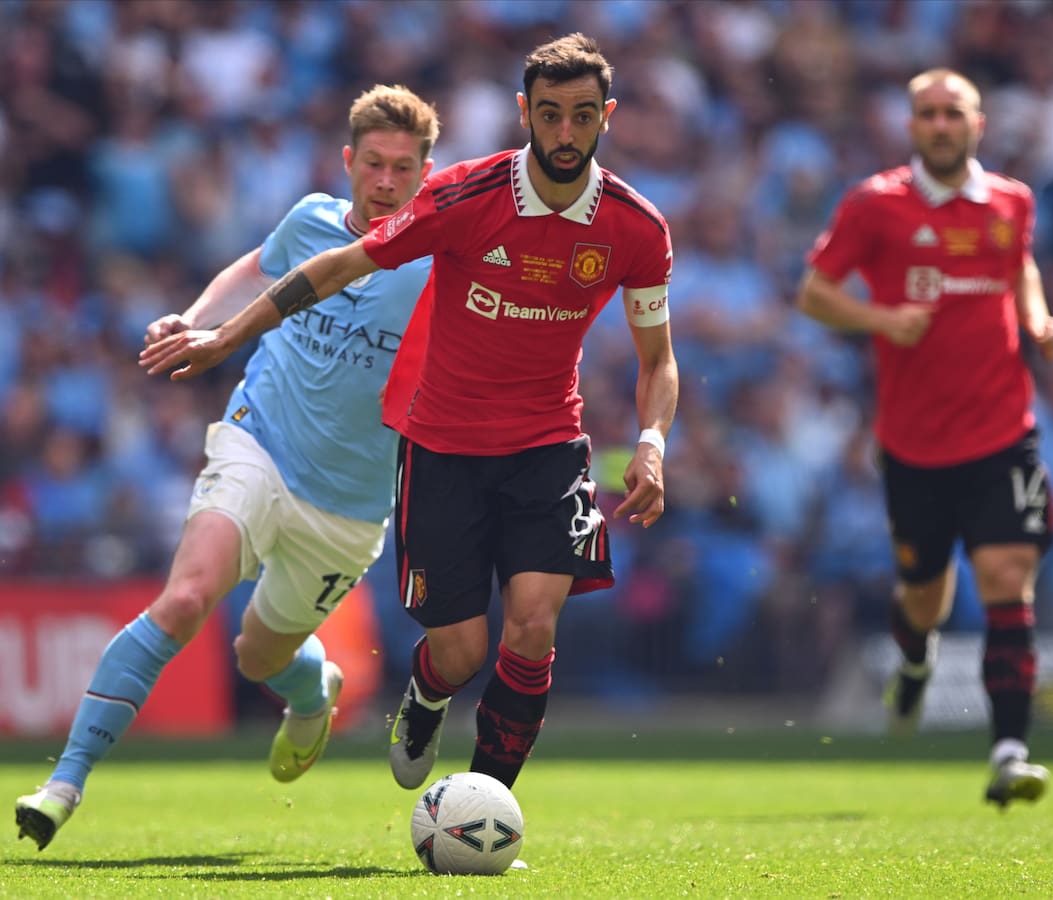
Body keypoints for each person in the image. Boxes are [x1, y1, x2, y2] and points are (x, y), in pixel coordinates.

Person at [138, 33, 677, 793]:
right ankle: (425, 698)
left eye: (582, 116)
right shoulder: (465, 196)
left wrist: (651, 440)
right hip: (442, 448)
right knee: (459, 653)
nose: (564, 133)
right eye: (549, 114)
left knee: (530, 628)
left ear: (606, 117)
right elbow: (337, 265)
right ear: (525, 111)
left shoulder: (636, 228)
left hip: (549, 445)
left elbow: (659, 359)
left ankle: (482, 807)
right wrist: (226, 337)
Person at [16, 84, 440, 850]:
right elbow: (256, 265)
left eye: (402, 169)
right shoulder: (310, 220)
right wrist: (196, 316)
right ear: (348, 161)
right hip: (258, 442)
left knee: (258, 654)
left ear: (425, 174)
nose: (384, 182)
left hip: (347, 507)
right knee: (185, 598)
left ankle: (313, 694)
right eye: (373, 163)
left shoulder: (439, 267)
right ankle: (63, 784)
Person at [797, 68, 1053, 808]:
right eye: (928, 114)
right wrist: (882, 321)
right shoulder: (875, 204)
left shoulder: (1012, 201)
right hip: (914, 446)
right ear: (911, 127)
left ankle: (1009, 753)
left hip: (1002, 432)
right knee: (925, 600)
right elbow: (814, 291)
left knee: (1009, 577)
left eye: (954, 113)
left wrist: (1037, 319)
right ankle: (915, 660)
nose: (942, 125)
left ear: (978, 124)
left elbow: (1021, 268)